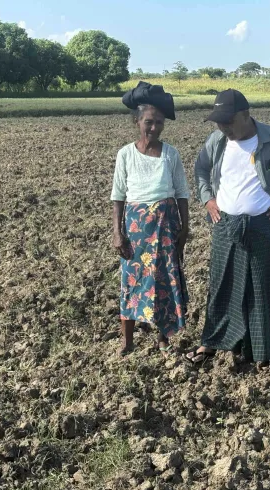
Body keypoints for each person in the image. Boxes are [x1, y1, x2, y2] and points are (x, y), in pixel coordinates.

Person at [186, 89, 270, 368]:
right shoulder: (217, 140)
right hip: (224, 224)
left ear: (245, 115)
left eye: (228, 121)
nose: (223, 127)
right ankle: (211, 342)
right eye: (219, 122)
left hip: (264, 224)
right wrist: (207, 198)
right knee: (221, 285)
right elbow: (201, 169)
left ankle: (269, 350)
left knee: (264, 287)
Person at [111, 81, 190, 357]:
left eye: (159, 123)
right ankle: (127, 341)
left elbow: (181, 192)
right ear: (137, 121)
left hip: (166, 226)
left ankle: (163, 338)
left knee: (164, 281)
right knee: (131, 282)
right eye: (148, 122)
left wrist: (185, 227)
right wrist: (117, 233)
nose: (154, 127)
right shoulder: (125, 154)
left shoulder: (171, 154)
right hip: (136, 230)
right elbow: (118, 196)